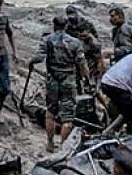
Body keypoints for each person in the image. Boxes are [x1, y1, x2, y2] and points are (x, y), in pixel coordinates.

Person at [30, 16, 89, 152]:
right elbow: (82, 63)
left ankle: (50, 143)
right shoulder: (75, 42)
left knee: (50, 112)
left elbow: (39, 57)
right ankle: (63, 146)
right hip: (68, 80)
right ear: (66, 26)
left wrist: (31, 62)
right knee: (67, 116)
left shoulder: (47, 39)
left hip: (53, 79)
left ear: (54, 25)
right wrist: (87, 78)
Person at [65, 5, 101, 89]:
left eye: (72, 13)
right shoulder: (67, 25)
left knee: (93, 66)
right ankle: (81, 85)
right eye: (69, 14)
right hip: (76, 50)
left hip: (88, 47)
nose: (71, 16)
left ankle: (93, 83)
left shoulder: (85, 23)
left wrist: (88, 36)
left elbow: (96, 36)